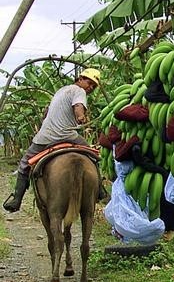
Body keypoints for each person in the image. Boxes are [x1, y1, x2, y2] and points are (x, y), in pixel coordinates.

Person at [3, 68, 103, 212]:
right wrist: (81, 117)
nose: (91, 87)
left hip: (44, 137)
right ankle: (99, 190)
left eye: (94, 86)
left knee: (25, 164)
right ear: (80, 79)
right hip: (67, 134)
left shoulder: (60, 91)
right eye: (89, 83)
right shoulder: (78, 91)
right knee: (94, 156)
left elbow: (47, 113)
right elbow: (78, 106)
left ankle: (17, 199)